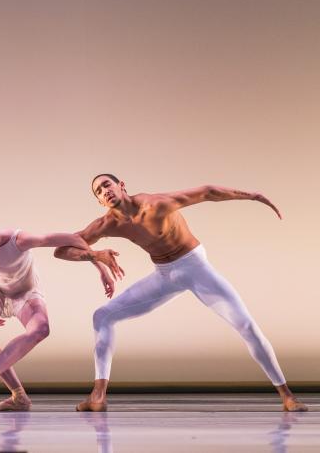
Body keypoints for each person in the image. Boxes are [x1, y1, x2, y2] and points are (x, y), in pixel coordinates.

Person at [55, 174, 308, 412]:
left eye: (107, 184)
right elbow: (61, 250)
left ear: (121, 185)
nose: (105, 191)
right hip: (164, 276)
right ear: (99, 201)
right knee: (102, 316)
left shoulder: (156, 204)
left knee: (247, 326)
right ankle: (97, 396)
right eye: (99, 191)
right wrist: (95, 256)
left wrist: (252, 195)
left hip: (195, 267)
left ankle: (287, 396)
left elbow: (207, 192)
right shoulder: (107, 223)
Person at [0, 225, 122, 411]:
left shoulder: (19, 240)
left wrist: (101, 269)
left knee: (41, 329)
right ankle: (19, 396)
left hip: (25, 291)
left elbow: (72, 239)